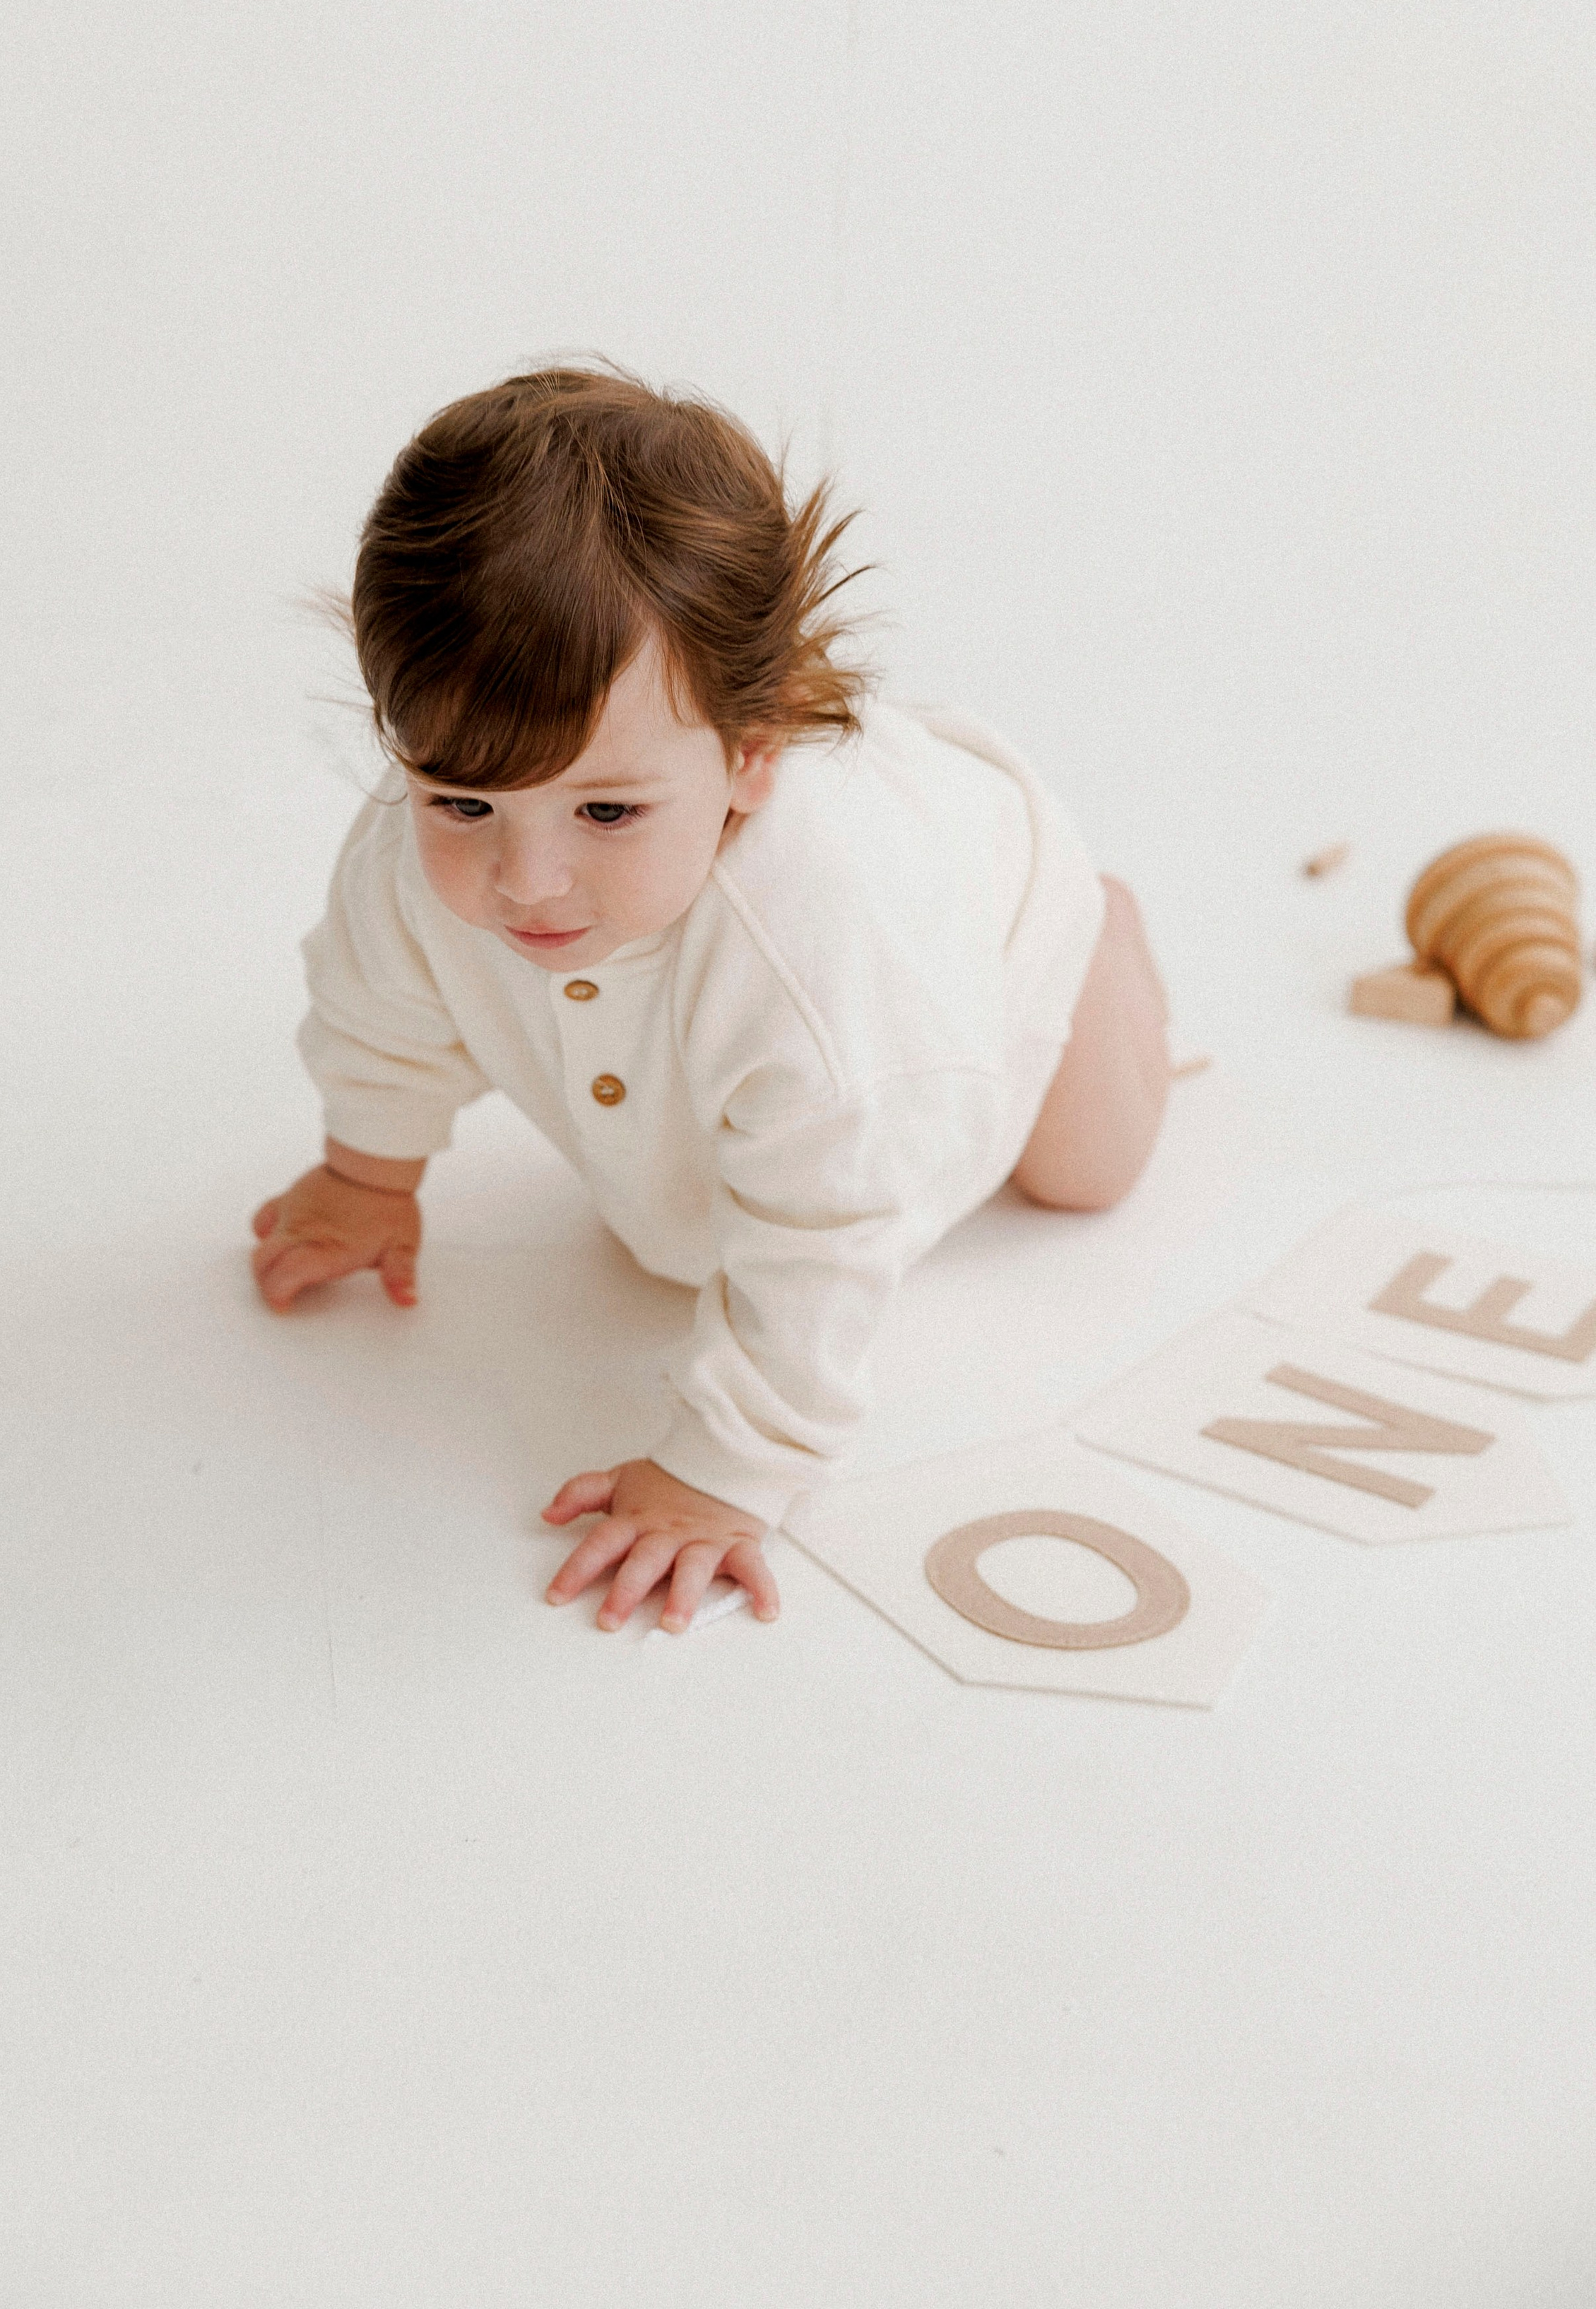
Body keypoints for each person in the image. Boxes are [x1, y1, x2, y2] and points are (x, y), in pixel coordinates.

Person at [250, 366, 1171, 1634]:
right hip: (780, 1041)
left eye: (605, 810)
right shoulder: (420, 856)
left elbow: (828, 1234)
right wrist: (367, 1173)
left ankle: (1105, 928)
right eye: (462, 801)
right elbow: (380, 1009)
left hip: (996, 943)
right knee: (681, 1217)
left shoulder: (815, 961)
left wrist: (723, 1472)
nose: (526, 879)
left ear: (752, 756)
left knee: (1086, 1174)